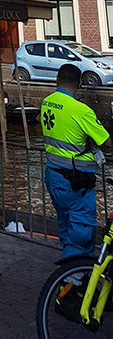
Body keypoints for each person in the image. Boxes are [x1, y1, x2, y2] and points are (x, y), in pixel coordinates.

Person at [41, 63, 110, 318]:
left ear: (57, 79)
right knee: (82, 236)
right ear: (79, 84)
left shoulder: (47, 102)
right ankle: (68, 293)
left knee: (68, 230)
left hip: (54, 177)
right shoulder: (81, 110)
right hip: (76, 183)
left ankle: (76, 284)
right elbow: (106, 141)